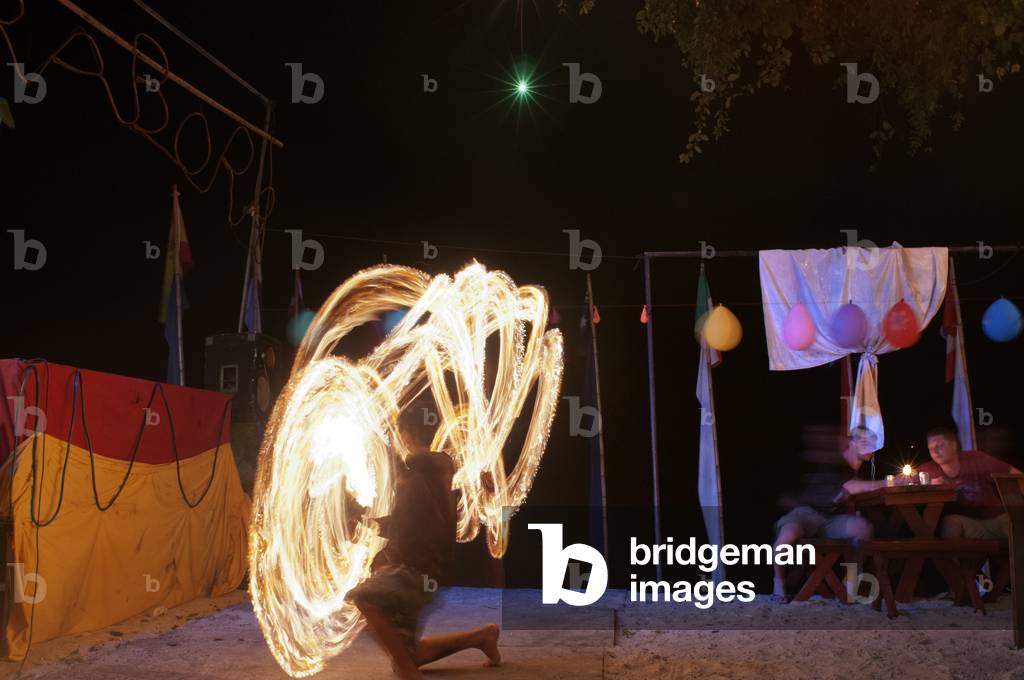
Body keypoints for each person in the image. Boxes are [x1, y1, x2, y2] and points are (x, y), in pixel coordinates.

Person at [347, 409, 501, 680]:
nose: (395, 442)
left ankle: (409, 673)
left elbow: (410, 524)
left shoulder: (419, 475)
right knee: (407, 651)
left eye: (398, 435)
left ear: (407, 435)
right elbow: (413, 521)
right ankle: (482, 637)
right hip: (425, 568)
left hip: (414, 568)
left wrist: (377, 536)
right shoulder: (435, 472)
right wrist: (372, 526)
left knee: (365, 598)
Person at [772, 425, 879, 601]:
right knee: (788, 535)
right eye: (865, 442)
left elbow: (847, 492)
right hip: (806, 513)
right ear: (852, 443)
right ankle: (778, 583)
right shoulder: (836, 461)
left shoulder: (860, 468)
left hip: (831, 519)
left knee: (863, 528)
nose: (871, 448)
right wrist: (890, 483)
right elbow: (850, 487)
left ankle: (851, 581)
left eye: (873, 444)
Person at [919, 423, 1022, 541]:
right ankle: (949, 554)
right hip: (968, 522)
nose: (935, 451)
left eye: (939, 446)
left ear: (953, 445)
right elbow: (905, 480)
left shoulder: (976, 459)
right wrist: (930, 486)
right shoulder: (927, 470)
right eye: (930, 448)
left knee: (1018, 525)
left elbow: (1016, 475)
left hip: (996, 519)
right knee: (950, 523)